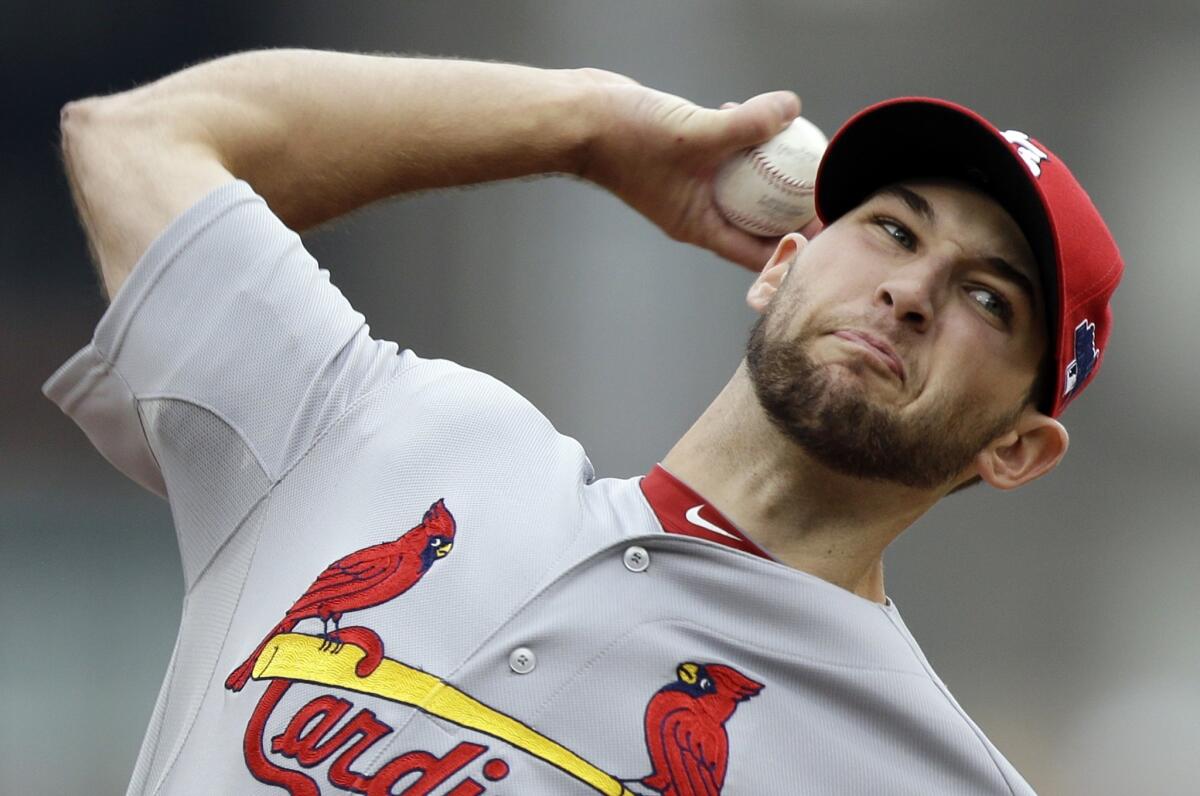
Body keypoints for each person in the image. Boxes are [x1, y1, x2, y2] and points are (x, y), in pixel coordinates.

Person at [47, 49, 1121, 795]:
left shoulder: (923, 772)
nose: (913, 290)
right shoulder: (394, 435)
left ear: (1015, 448)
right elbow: (137, 137)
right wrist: (588, 128)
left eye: (991, 297)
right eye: (892, 228)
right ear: (784, 263)